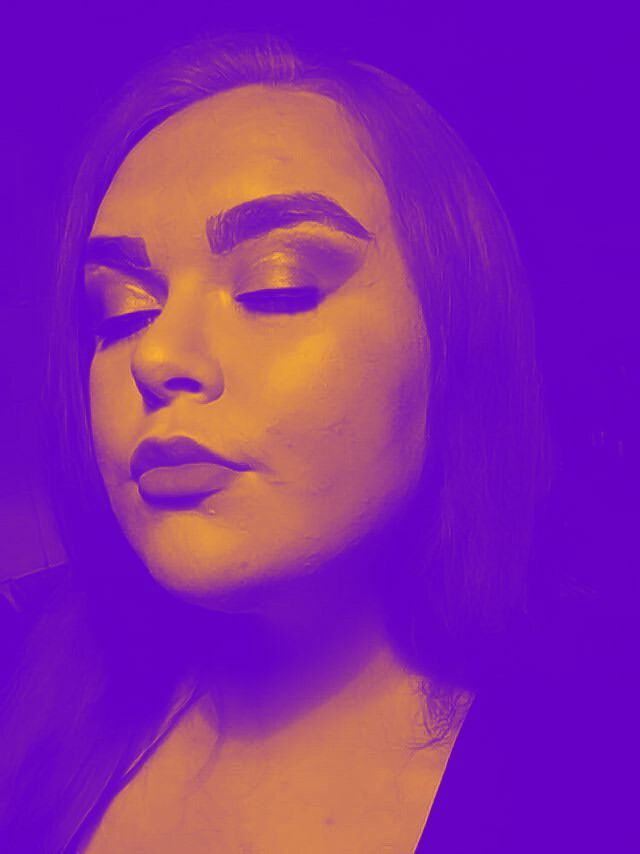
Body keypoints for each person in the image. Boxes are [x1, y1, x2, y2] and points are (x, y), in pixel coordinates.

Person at [1, 31, 625, 853]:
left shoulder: (597, 763)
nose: (154, 355)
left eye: (278, 286)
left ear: (457, 345)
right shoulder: (23, 678)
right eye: (120, 310)